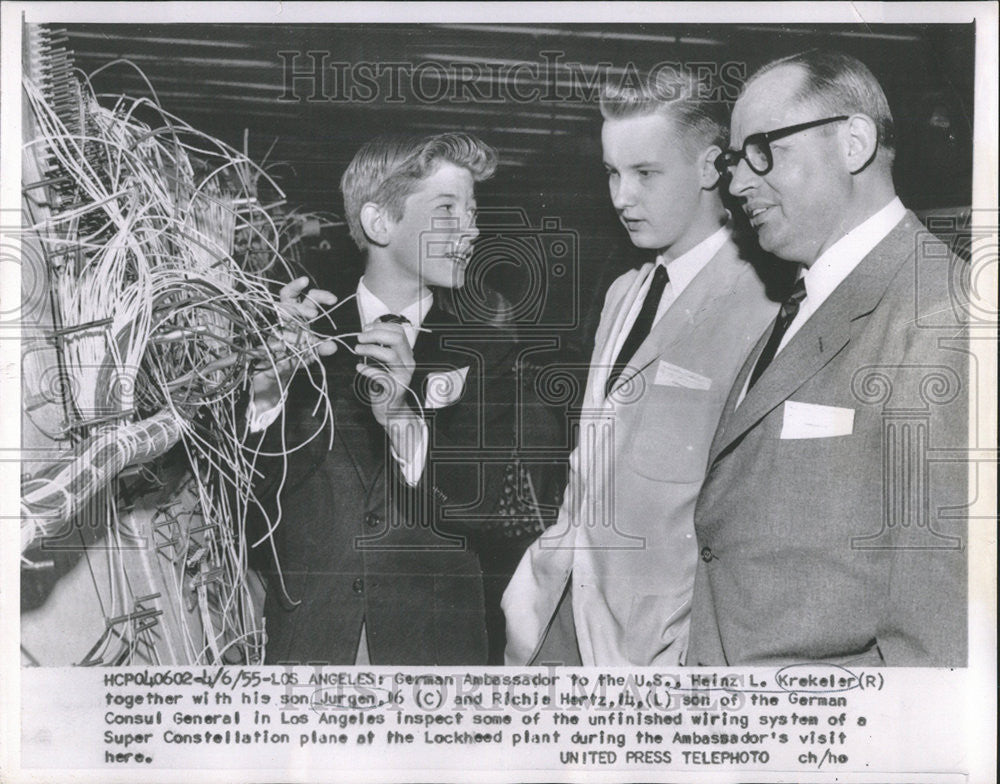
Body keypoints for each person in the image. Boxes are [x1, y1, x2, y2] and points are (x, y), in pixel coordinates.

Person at [689, 50, 968, 667]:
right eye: (735, 161)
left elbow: (941, 632)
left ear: (854, 143)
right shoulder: (806, 297)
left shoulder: (941, 317)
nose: (736, 184)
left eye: (763, 150)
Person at [501, 67, 780, 666]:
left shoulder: (765, 303)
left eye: (645, 174)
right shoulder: (624, 292)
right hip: (559, 613)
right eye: (612, 173)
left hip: (664, 644)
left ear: (711, 168)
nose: (621, 197)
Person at [245, 132, 521, 665]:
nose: (472, 228)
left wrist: (400, 418)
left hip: (434, 655)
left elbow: (483, 505)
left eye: (472, 209)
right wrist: (266, 388)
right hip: (309, 643)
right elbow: (251, 499)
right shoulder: (303, 336)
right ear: (379, 223)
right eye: (448, 208)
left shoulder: (488, 345)